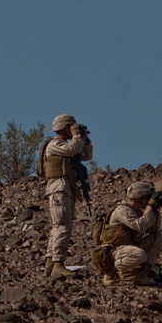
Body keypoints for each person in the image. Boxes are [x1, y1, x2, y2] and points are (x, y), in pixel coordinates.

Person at [37, 114, 93, 278]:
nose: (73, 130)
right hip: (58, 188)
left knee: (59, 226)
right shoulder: (54, 145)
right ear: (63, 128)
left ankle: (50, 262)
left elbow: (87, 156)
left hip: (67, 188)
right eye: (71, 126)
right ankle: (58, 264)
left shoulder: (69, 146)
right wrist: (76, 136)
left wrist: (85, 139)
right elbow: (71, 149)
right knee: (62, 226)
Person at [94, 182, 162, 286]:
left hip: (130, 247)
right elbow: (139, 226)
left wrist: (154, 211)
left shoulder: (137, 211)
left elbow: (152, 230)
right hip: (114, 250)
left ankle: (142, 274)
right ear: (139, 197)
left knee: (158, 237)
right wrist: (149, 208)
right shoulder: (122, 210)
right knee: (139, 254)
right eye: (147, 197)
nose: (149, 200)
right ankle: (110, 272)